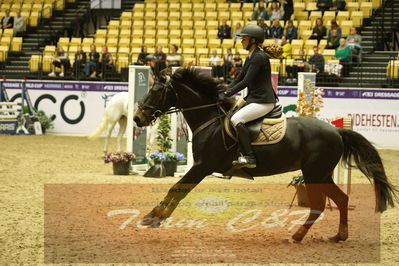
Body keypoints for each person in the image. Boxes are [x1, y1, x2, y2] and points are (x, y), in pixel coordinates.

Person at [218, 24, 281, 168]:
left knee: (236, 119)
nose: (241, 41)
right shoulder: (252, 55)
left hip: (263, 101)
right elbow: (239, 77)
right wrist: (225, 90)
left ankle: (250, 157)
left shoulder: (259, 57)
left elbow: (247, 81)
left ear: (253, 40)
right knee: (230, 114)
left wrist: (227, 94)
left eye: (244, 39)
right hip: (255, 99)